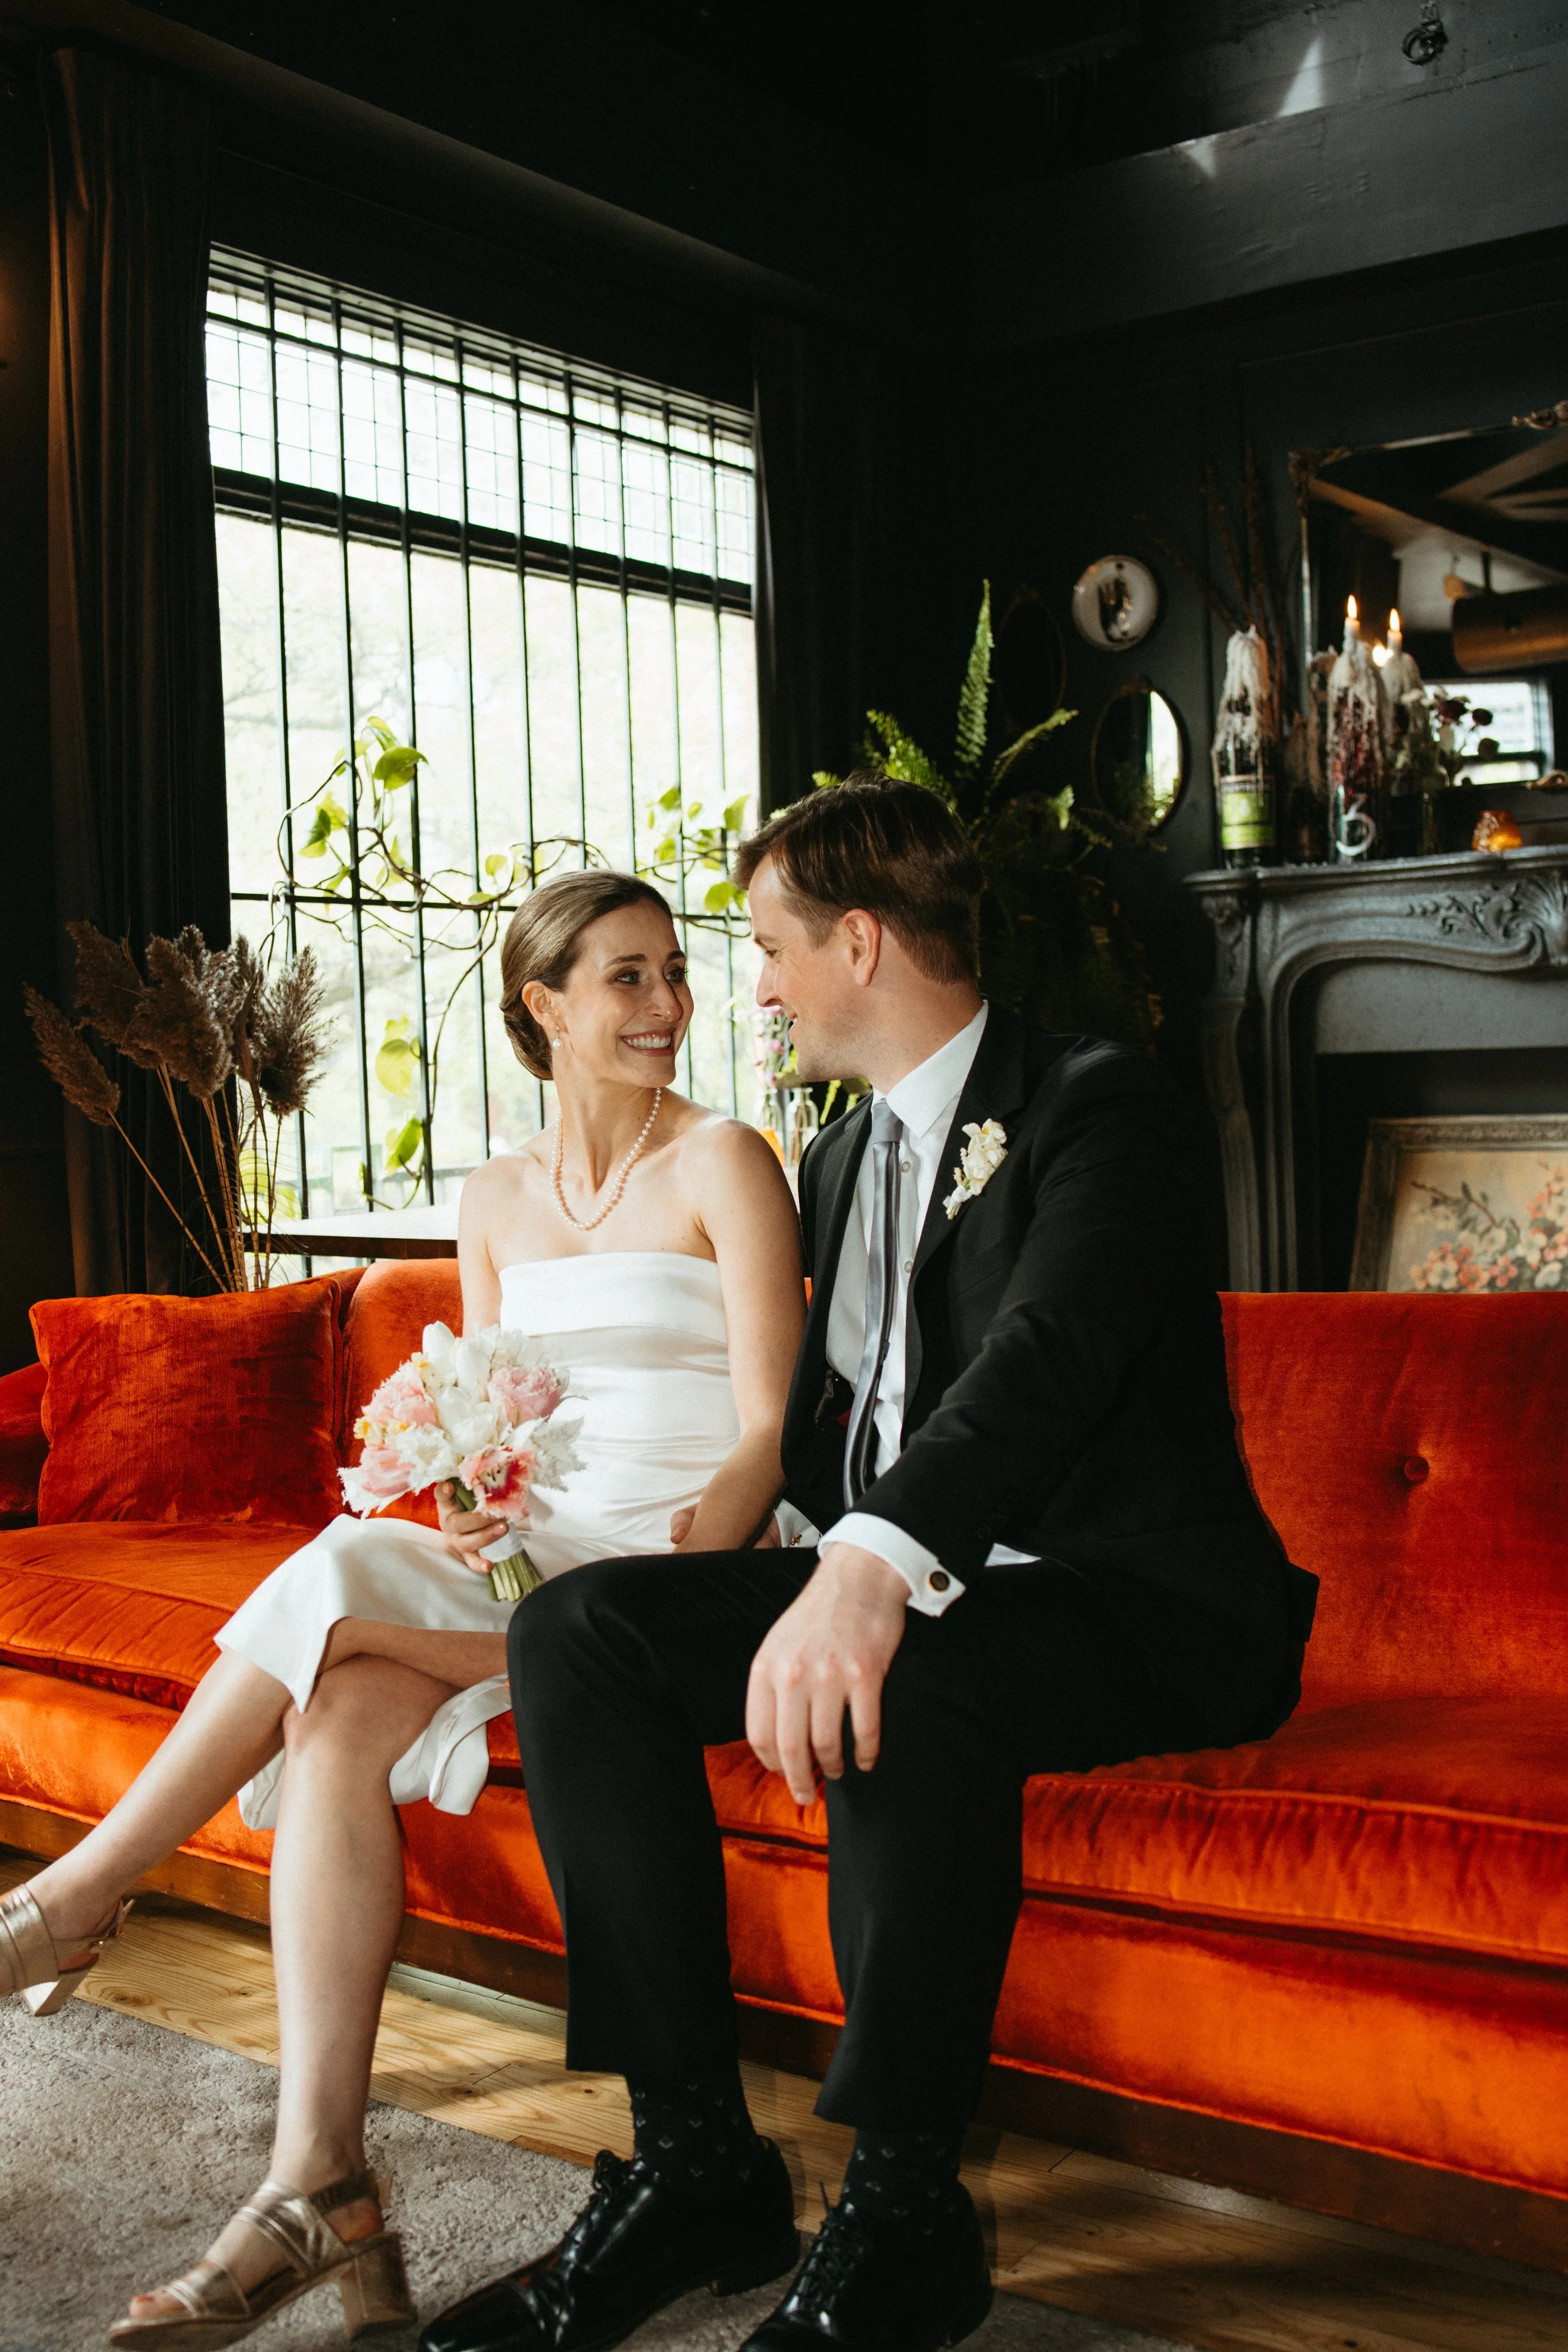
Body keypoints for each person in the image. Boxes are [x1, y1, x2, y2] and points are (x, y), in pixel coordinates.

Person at [424, 773, 1318, 2352]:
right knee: (583, 1632)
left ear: (854, 943)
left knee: (908, 1663)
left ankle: (903, 2205)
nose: (745, 990)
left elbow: (1046, 1356)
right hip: (914, 1579)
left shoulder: (1098, 1103)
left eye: (764, 949)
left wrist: (865, 1566)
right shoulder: (831, 1167)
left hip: (1135, 1599)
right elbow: (819, 1421)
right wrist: (771, 1539)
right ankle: (692, 2156)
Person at [0, 871, 803, 2350]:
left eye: (674, 973)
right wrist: (468, 1500)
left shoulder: (726, 1164)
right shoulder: (496, 1196)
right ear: (542, 1007)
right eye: (624, 978)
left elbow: (766, 1427)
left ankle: (74, 1903)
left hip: (671, 1577)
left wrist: (689, 1589)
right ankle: (321, 2182)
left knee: (330, 1594)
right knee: (338, 1710)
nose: (667, 1006)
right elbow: (488, 1418)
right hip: (527, 1562)